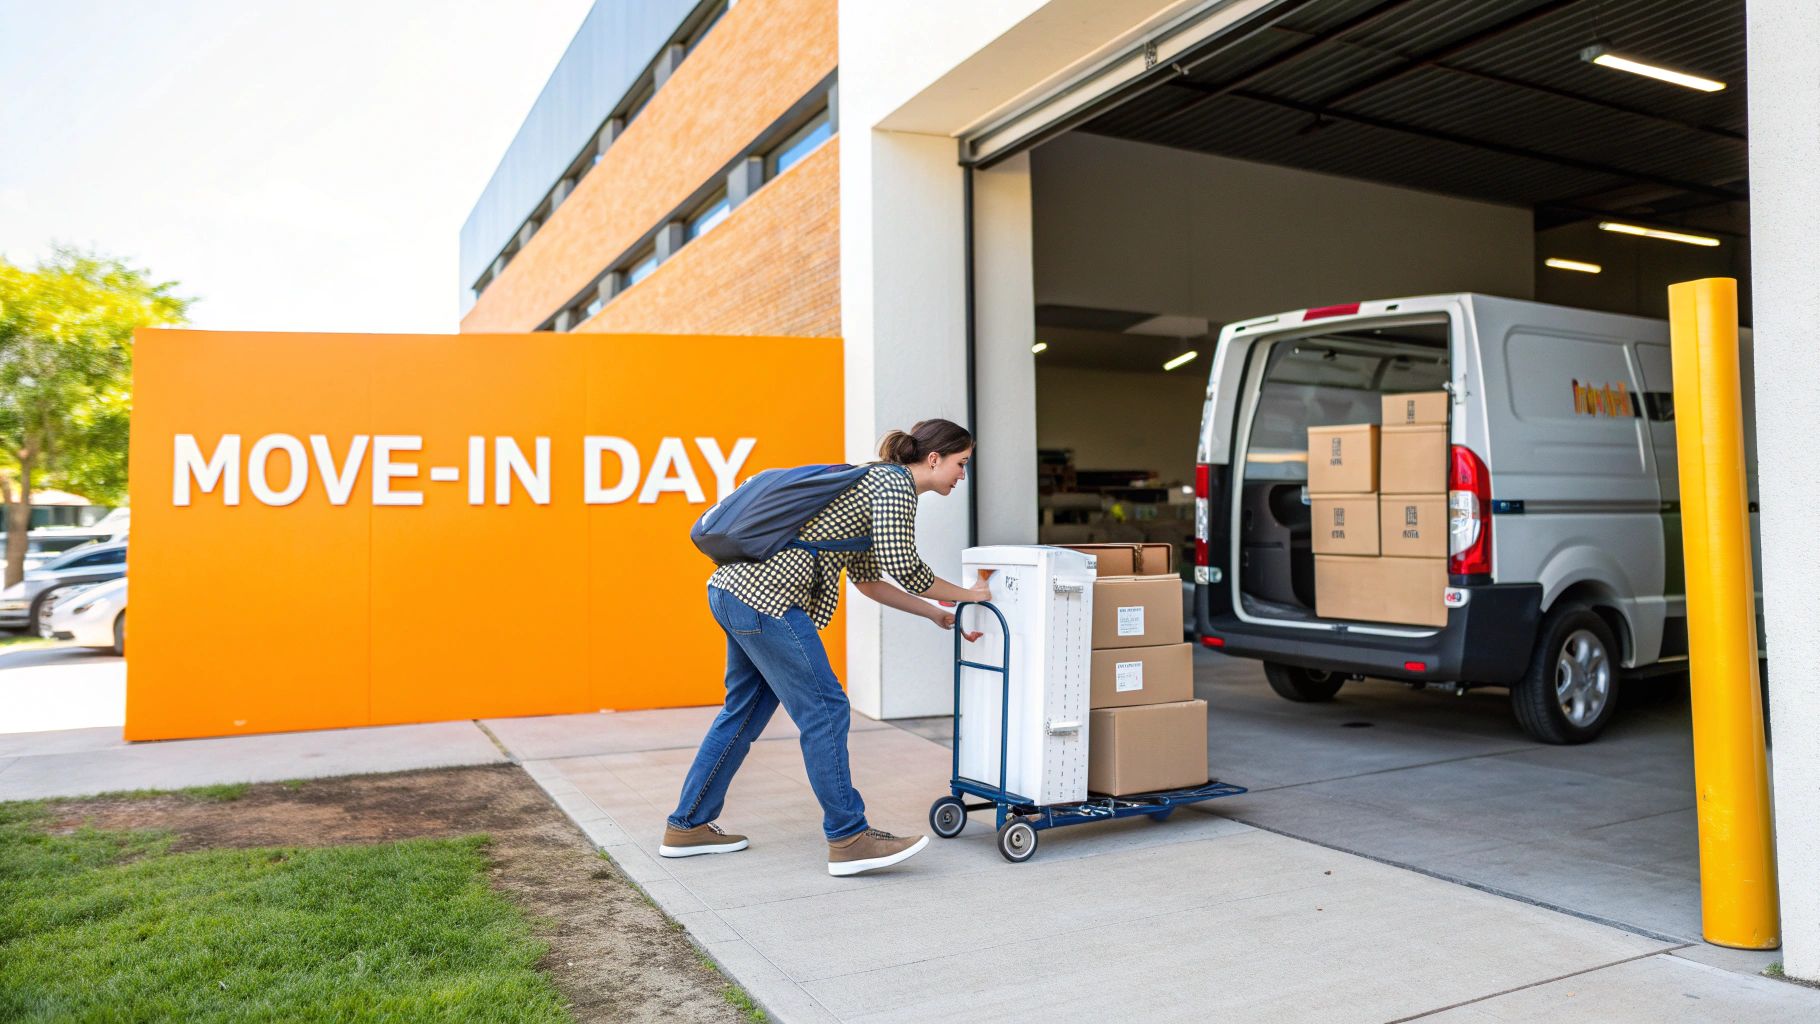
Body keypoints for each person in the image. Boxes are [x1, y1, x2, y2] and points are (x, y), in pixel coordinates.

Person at [660, 418, 989, 876]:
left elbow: (869, 580)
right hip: (767, 599)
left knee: (744, 712)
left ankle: (688, 825)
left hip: (734, 592)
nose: (962, 475)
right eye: (961, 463)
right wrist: (971, 594)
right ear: (933, 459)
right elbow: (907, 567)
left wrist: (934, 612)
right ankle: (848, 836)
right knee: (827, 709)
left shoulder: (869, 484)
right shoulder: (893, 485)